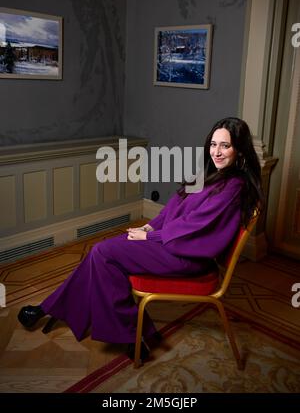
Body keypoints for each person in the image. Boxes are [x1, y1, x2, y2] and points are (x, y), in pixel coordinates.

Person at [18, 117, 263, 360]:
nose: (216, 152)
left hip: (187, 255)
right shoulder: (210, 175)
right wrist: (148, 227)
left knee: (102, 253)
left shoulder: (234, 186)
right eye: (213, 144)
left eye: (225, 146)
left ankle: (113, 328)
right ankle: (114, 329)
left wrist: (151, 237)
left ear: (239, 150)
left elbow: (194, 226)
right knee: (100, 255)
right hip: (171, 244)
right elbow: (173, 207)